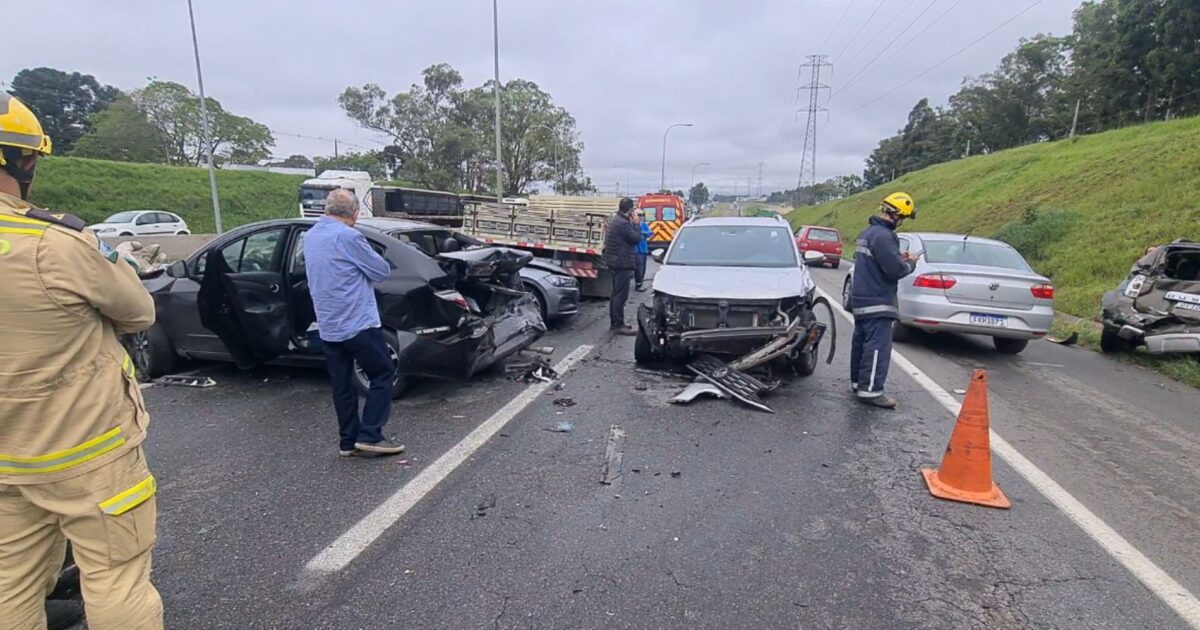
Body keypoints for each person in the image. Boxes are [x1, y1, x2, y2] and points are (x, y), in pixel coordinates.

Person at [0, 92, 164, 629]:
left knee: (11, 585)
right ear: (23, 160)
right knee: (115, 577)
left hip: (6, 461)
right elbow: (139, 311)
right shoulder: (54, 242)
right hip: (87, 450)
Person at [303, 188, 405, 457]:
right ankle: (371, 434)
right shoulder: (348, 236)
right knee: (383, 373)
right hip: (357, 322)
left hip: (329, 325)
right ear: (354, 213)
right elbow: (380, 271)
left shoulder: (311, 236)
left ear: (327, 209)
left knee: (342, 385)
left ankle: (348, 442)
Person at [848, 191, 919, 409]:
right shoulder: (884, 236)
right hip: (878, 300)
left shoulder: (868, 232)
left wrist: (898, 256)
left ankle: (858, 383)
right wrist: (910, 263)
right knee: (878, 346)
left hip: (861, 298)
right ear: (896, 214)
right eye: (903, 218)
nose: (902, 222)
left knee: (861, 343)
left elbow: (876, 261)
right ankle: (871, 391)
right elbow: (894, 270)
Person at [604, 197, 643, 335]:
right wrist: (637, 224)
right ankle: (618, 324)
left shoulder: (616, 220)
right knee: (620, 295)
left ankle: (615, 323)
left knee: (615, 294)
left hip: (616, 262)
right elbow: (636, 239)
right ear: (630, 210)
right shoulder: (623, 224)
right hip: (622, 263)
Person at [634, 210, 652, 291]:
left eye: (642, 215)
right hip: (636, 250)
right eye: (639, 215)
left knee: (643, 267)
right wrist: (642, 234)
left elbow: (650, 233)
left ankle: (640, 283)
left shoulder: (644, 224)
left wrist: (642, 232)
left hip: (643, 249)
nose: (641, 217)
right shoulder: (633, 225)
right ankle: (638, 285)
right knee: (639, 267)